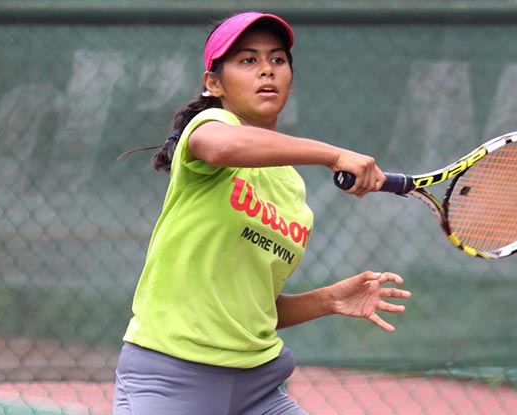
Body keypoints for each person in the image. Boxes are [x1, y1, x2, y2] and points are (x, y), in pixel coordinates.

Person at [113, 11, 411, 415]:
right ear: (213, 83)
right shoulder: (209, 128)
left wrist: (329, 300)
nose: (266, 70)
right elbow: (223, 147)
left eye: (277, 59)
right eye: (247, 60)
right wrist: (332, 155)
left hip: (258, 387)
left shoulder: (291, 193)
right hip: (172, 379)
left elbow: (256, 306)